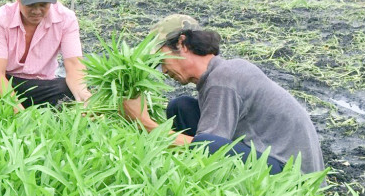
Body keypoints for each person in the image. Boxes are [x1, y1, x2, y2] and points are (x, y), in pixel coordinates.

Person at [121, 14, 325, 174]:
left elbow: (207, 147)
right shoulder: (220, 73)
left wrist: (144, 123)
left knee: (207, 145)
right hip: (268, 156)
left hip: (291, 176)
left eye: (161, 59)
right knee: (180, 107)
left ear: (182, 43)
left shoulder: (223, 80)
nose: (163, 70)